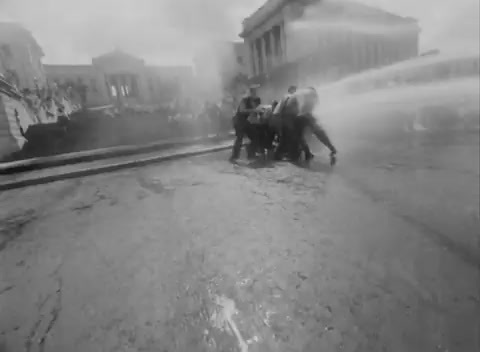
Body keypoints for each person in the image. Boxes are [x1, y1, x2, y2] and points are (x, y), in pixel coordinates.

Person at [292, 87, 337, 165]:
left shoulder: (305, 99)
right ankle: (331, 149)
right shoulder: (310, 100)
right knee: (318, 132)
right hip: (304, 117)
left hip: (300, 117)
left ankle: (306, 155)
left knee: (301, 136)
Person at [230, 86, 262, 161]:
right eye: (254, 91)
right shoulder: (245, 99)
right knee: (239, 139)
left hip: (247, 122)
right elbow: (242, 110)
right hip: (239, 121)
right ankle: (234, 156)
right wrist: (253, 110)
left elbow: (256, 112)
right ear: (251, 92)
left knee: (254, 136)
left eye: (256, 91)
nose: (255, 93)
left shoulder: (256, 100)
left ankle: (251, 154)